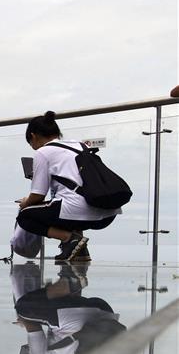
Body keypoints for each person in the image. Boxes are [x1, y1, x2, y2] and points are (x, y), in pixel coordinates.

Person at [16, 112, 121, 262]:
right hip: (107, 213)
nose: (33, 147)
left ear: (33, 136)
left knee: (25, 216)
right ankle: (81, 251)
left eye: (30, 143)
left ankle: (69, 239)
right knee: (65, 206)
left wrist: (25, 203)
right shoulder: (81, 146)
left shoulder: (43, 152)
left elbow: (38, 195)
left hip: (77, 210)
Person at [13, 263, 124, 354]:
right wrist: (24, 321)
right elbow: (34, 329)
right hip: (74, 316)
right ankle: (69, 282)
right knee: (23, 308)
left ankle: (71, 270)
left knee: (54, 316)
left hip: (105, 313)